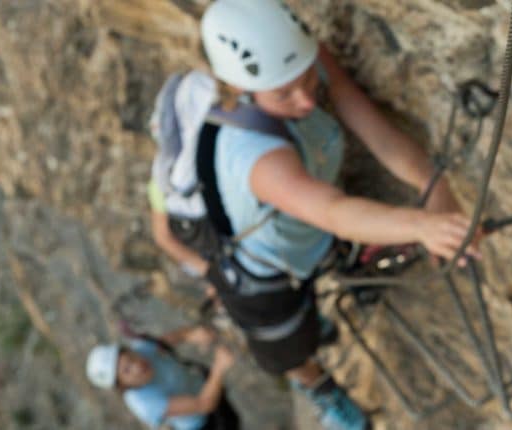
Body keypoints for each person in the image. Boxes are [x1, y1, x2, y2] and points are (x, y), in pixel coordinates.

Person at [149, 1, 480, 429]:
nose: (305, 98)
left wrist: (433, 187)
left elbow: (372, 128)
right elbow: (333, 211)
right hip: (262, 274)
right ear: (240, 88)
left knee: (316, 277)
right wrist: (422, 226)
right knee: (287, 350)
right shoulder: (250, 154)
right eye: (283, 94)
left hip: (305, 237)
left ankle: (317, 314)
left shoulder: (299, 58)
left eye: (306, 80)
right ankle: (325, 393)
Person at [86, 325, 239, 430]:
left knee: (234, 419)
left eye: (131, 357)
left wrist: (192, 334)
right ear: (124, 385)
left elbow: (172, 339)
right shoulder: (146, 403)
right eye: (127, 371)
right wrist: (218, 368)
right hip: (202, 424)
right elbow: (204, 404)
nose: (137, 366)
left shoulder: (142, 348)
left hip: (204, 387)